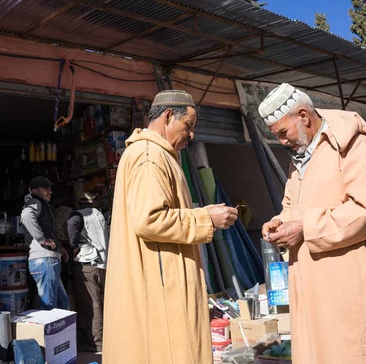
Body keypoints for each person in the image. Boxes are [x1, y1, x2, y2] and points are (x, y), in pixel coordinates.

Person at [259, 83, 366, 363]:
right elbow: (293, 207)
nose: (282, 141)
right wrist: (279, 223)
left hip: (348, 282)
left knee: (352, 353)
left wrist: (305, 229)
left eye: (282, 133)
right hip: (312, 282)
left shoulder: (353, 143)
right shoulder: (300, 156)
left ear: (303, 116)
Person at [102, 90, 238, 364]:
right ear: (167, 117)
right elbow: (149, 219)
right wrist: (206, 218)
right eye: (188, 125)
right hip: (162, 287)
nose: (191, 135)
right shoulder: (150, 156)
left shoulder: (155, 154)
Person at [67, 192, 108, 352]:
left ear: (78, 203)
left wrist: (74, 248)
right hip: (102, 263)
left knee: (91, 304)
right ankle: (107, 337)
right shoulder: (99, 214)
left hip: (87, 264)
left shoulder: (76, 216)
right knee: (102, 301)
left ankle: (97, 342)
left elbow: (72, 234)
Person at [21, 176, 70, 310]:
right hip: (44, 260)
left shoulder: (41, 204)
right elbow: (26, 216)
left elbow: (48, 229)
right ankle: (48, 331)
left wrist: (60, 248)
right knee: (49, 306)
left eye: (50, 188)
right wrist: (42, 240)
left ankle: (63, 331)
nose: (50, 191)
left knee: (63, 304)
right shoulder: (35, 202)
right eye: (45, 188)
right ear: (35, 190)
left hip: (49, 260)